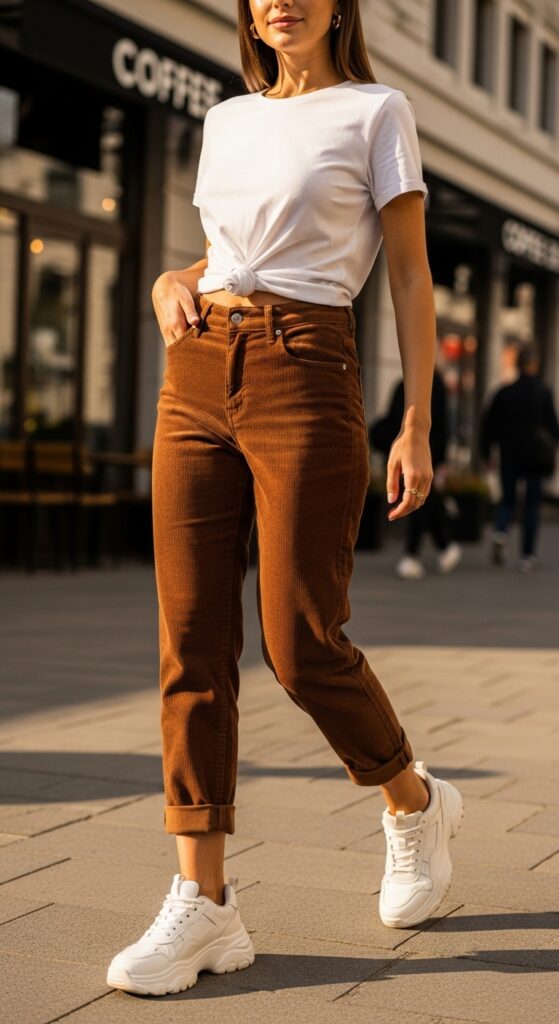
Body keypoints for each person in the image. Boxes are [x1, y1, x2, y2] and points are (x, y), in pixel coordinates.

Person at [106, 1, 464, 997]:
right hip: (196, 372)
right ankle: (204, 903)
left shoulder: (377, 110)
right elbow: (226, 254)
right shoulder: (228, 117)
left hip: (307, 370)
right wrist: (167, 284)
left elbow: (406, 270)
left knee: (300, 638)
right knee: (189, 641)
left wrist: (419, 422)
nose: (281, 0)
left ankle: (412, 799)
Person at [370, 368, 462, 579]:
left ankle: (415, 553)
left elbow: (437, 425)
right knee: (422, 499)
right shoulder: (424, 384)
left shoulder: (423, 385)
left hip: (420, 453)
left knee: (420, 499)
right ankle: (443, 546)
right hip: (417, 452)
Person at [479, 342, 559, 573]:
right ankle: (527, 555)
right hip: (535, 459)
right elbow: (553, 428)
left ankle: (501, 531)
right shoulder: (543, 392)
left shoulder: (504, 392)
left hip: (509, 455)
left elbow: (489, 426)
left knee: (508, 500)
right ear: (534, 364)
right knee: (532, 506)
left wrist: (486, 453)